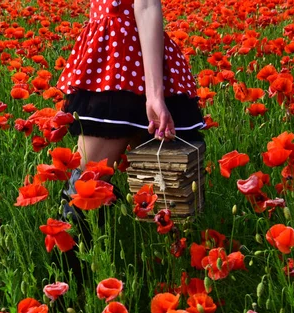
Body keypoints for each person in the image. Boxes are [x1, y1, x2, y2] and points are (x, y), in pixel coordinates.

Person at [57, 0, 205, 225]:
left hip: (121, 62)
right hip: (113, 58)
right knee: (161, 194)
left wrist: (154, 96)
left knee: (86, 191)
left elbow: (145, 4)